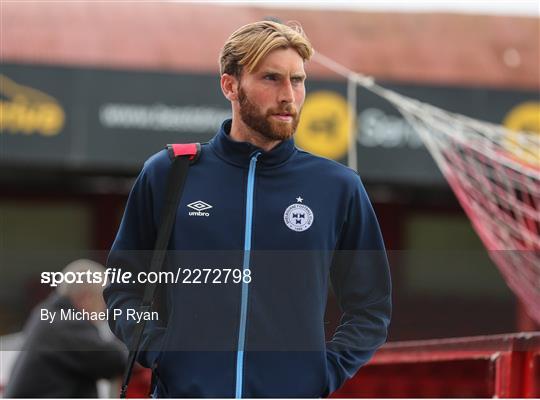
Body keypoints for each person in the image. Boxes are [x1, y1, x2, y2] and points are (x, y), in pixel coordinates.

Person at [104, 20, 391, 398]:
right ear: (230, 85)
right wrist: (159, 350)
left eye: (298, 80)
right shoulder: (170, 172)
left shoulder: (337, 187)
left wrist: (324, 372)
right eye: (271, 78)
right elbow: (123, 284)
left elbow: (371, 307)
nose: (288, 95)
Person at [5, 259, 126, 398]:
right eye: (103, 301)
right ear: (87, 298)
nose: (104, 311)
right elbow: (115, 361)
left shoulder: (49, 313)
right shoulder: (65, 323)